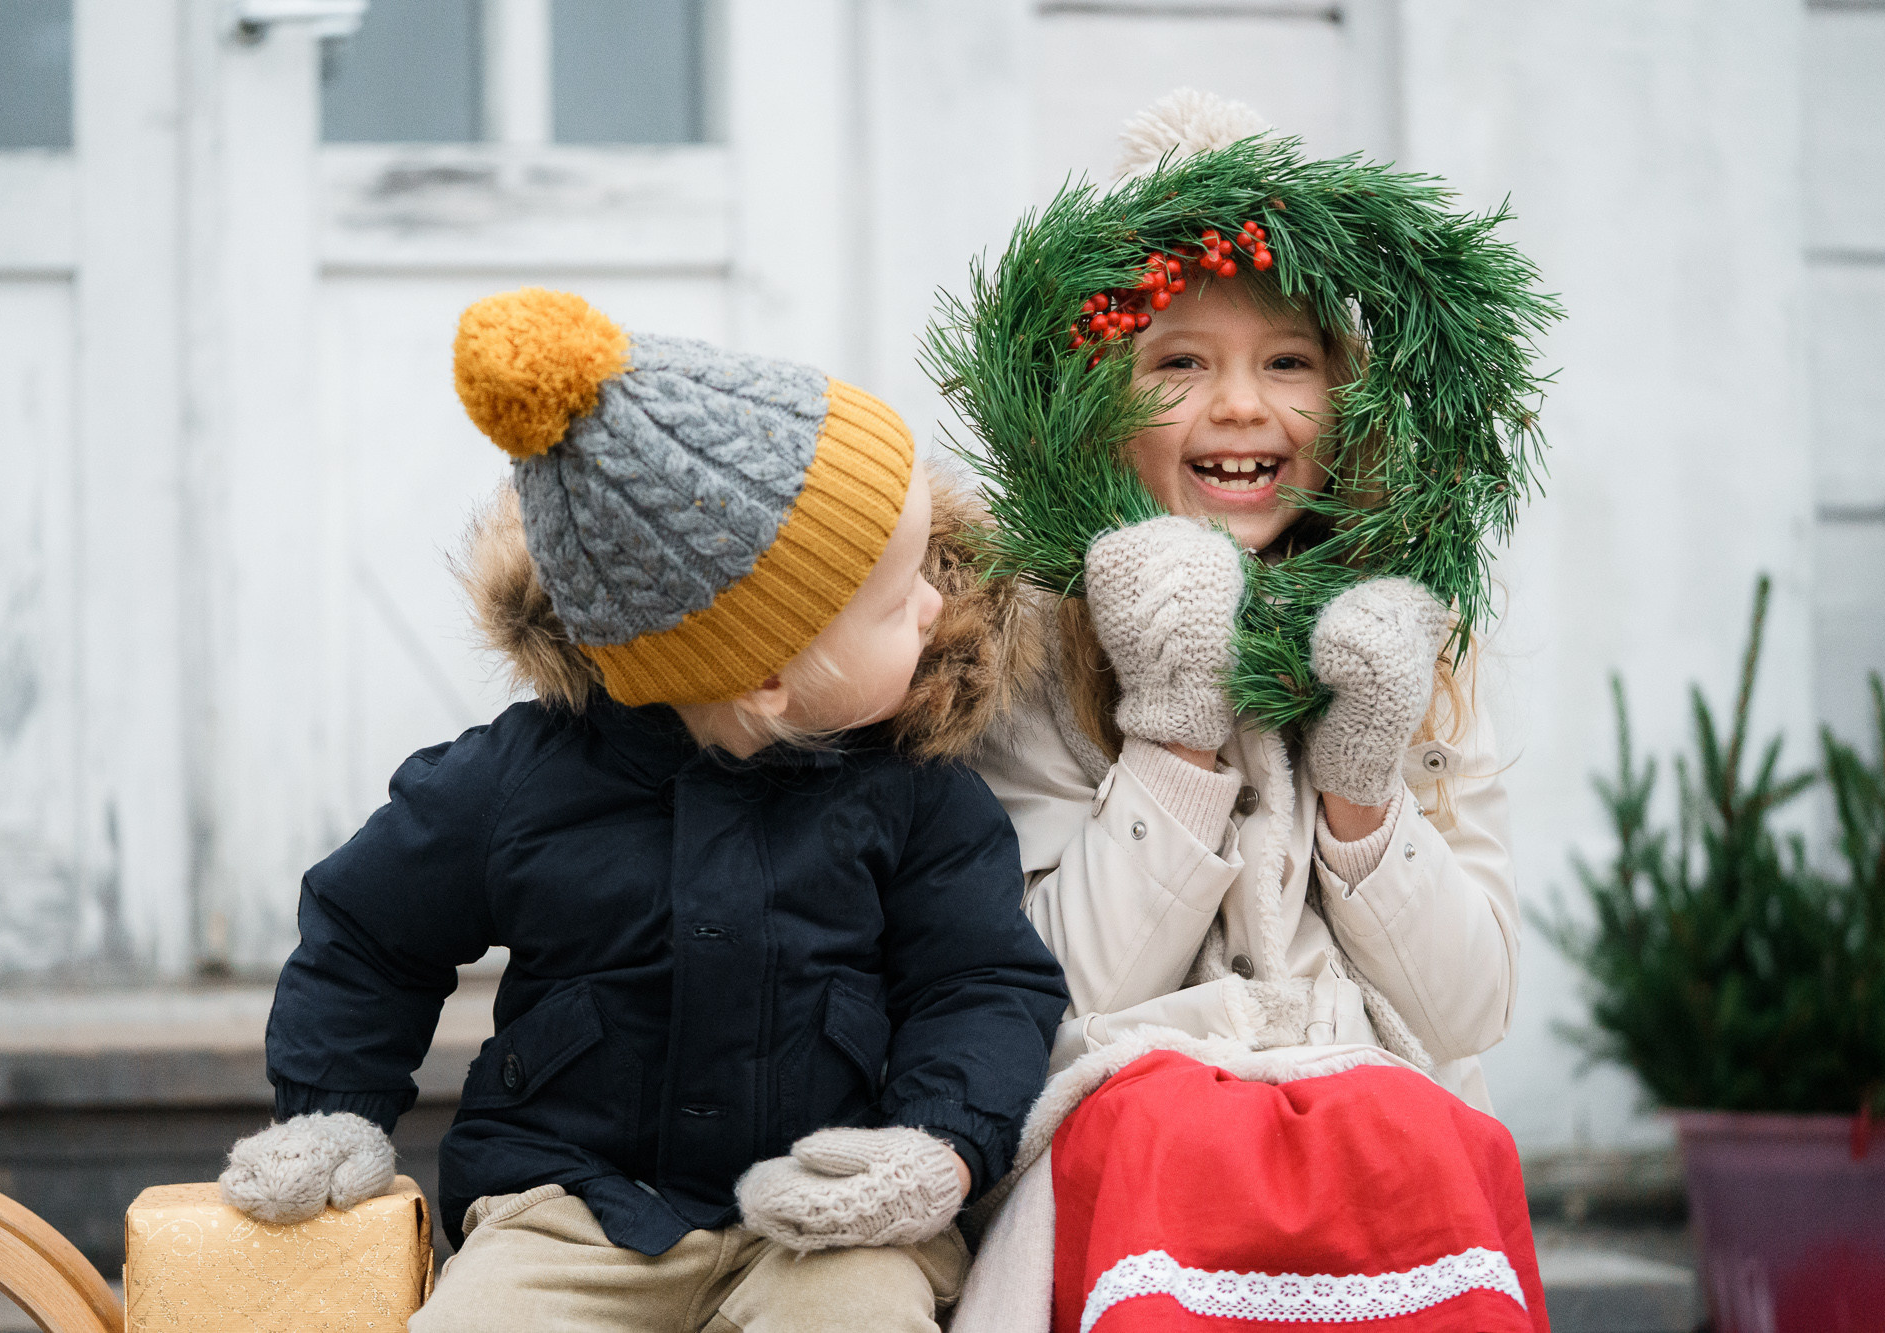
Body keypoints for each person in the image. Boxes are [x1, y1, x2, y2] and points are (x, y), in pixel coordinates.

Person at [213, 289, 1069, 1332]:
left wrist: (935, 1141)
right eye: (897, 605)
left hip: (822, 1211)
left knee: (861, 1317)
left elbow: (977, 979)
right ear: (763, 678)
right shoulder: (519, 782)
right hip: (569, 1202)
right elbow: (368, 929)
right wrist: (333, 1106)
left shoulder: (914, 794)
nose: (937, 607)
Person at [949, 93, 1549, 1333]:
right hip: (1139, 1122)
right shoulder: (1029, 643)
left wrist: (1363, 785)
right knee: (1175, 1130)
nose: (1239, 406)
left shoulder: (1417, 640)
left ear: (1348, 403)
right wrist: (1169, 726)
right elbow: (1056, 991)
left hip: (1381, 1123)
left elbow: (1463, 1007)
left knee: (1398, 1130)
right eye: (1177, 363)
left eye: (1286, 363)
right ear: (1093, 408)